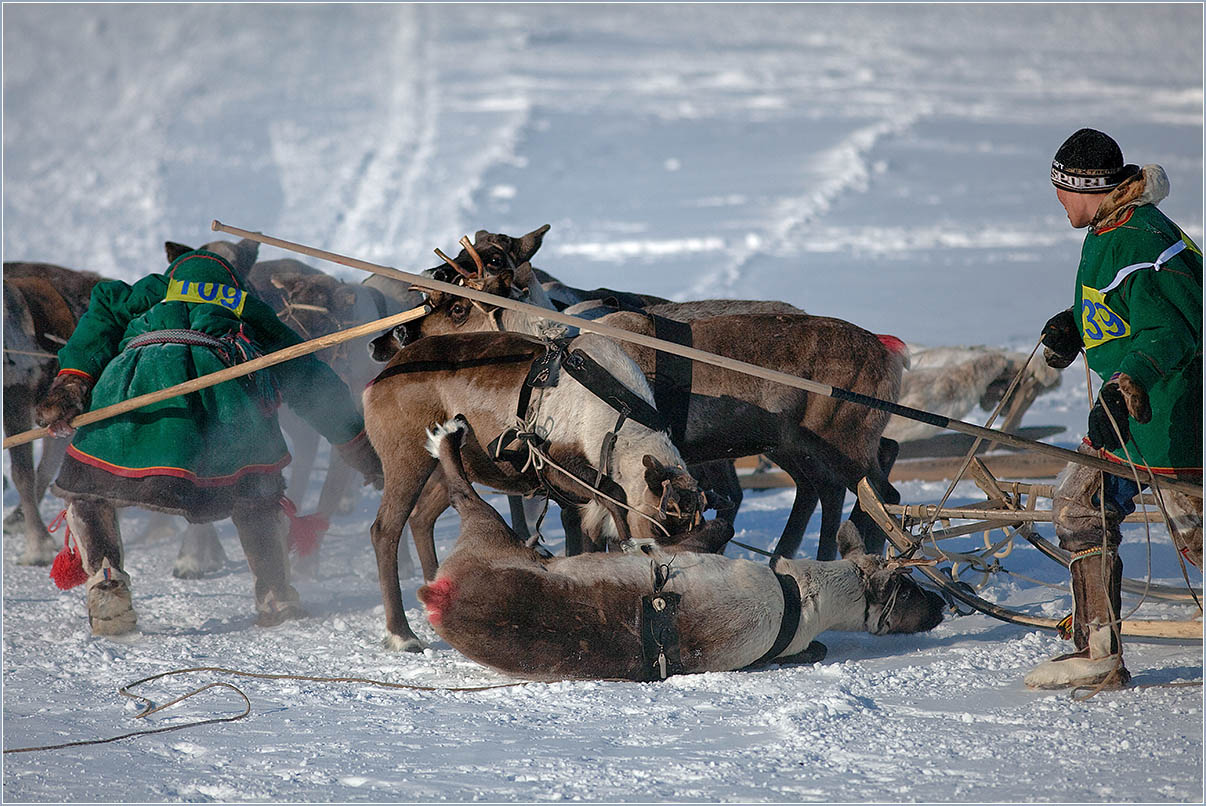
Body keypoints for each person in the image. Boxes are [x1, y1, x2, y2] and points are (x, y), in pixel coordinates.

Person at [34, 243, 383, 634]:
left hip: (134, 408)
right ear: (233, 279)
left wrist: (71, 384)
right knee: (258, 496)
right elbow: (306, 377)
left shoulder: (144, 291)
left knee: (88, 490)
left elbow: (97, 324)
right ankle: (275, 593)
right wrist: (360, 446)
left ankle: (105, 577)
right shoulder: (244, 305)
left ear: (175, 273)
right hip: (228, 420)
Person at [1027, 128, 1202, 689]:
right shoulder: (1109, 227)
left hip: (1174, 414)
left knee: (1197, 536)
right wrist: (1075, 323)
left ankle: (1098, 645)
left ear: (1089, 187)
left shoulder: (1142, 240)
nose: (1057, 201)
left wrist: (1126, 382)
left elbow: (1174, 330)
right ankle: (1097, 648)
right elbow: (1121, 307)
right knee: (1079, 508)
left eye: (1062, 190)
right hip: (1132, 412)